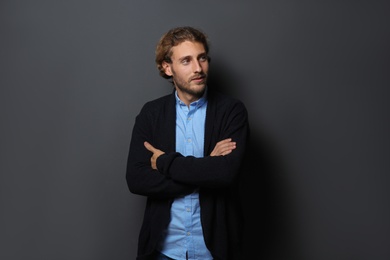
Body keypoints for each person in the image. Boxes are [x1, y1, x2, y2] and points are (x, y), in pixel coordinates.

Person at [126, 26, 250, 260]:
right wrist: (206, 167)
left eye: (202, 58)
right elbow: (136, 179)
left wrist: (164, 162)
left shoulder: (231, 111)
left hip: (214, 252)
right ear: (167, 67)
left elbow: (225, 174)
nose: (198, 68)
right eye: (186, 61)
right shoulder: (151, 114)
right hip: (164, 250)